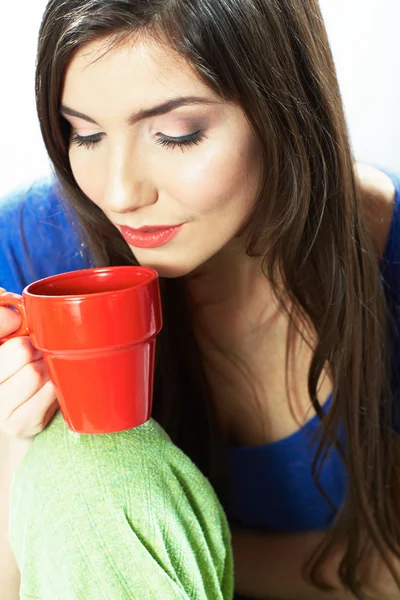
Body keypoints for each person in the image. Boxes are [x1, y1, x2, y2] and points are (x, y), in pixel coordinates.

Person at [1, 0, 400, 598]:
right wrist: (17, 448)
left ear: (283, 106)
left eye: (176, 134)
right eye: (84, 133)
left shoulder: (384, 258)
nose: (118, 192)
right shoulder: (37, 253)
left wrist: (162, 541)